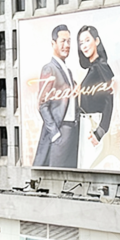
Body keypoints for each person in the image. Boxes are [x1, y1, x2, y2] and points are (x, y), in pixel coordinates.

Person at [32, 24, 79, 168]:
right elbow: (42, 105)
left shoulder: (68, 71)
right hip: (60, 131)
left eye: (69, 41)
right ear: (53, 43)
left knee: (70, 174)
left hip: (72, 131)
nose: (67, 45)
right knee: (56, 173)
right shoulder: (49, 68)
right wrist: (55, 133)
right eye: (63, 41)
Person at [76, 25, 115, 147]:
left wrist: (99, 132)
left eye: (87, 40)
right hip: (88, 125)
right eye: (81, 43)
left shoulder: (101, 67)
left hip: (94, 127)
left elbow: (109, 101)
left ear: (97, 41)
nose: (84, 46)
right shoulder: (93, 68)